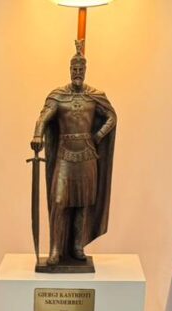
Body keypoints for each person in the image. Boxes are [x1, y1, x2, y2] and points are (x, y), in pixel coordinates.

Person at [31, 38, 116, 266]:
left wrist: (98, 136)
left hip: (87, 155)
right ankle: (56, 249)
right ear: (70, 70)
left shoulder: (95, 95)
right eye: (74, 69)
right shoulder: (58, 96)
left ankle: (77, 246)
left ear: (85, 71)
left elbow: (112, 116)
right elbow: (43, 117)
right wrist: (38, 135)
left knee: (82, 202)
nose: (77, 73)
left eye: (81, 69)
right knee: (59, 201)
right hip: (65, 156)